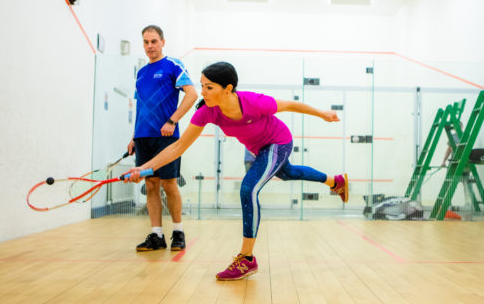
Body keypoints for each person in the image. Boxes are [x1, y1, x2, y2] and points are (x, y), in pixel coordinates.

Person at [124, 61, 348, 280]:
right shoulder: (207, 112)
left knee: (248, 189)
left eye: (209, 87)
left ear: (228, 89)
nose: (203, 92)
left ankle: (247, 258)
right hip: (258, 149)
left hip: (278, 141)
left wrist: (322, 114)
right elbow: (178, 146)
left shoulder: (254, 102)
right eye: (202, 86)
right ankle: (335, 182)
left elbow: (291, 105)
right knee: (287, 172)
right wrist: (143, 168)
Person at [128, 25, 198, 252]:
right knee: (150, 185)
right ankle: (156, 235)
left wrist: (173, 120)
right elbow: (141, 107)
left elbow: (192, 94)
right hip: (143, 137)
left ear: (163, 42)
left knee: (169, 185)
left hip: (166, 137)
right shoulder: (140, 73)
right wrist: (133, 137)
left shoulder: (173, 66)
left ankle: (178, 231)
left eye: (154, 41)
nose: (150, 46)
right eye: (146, 42)